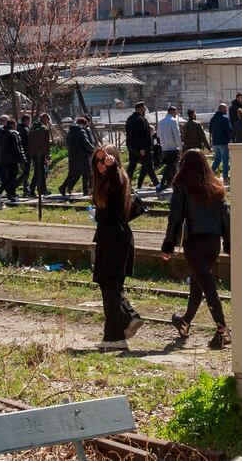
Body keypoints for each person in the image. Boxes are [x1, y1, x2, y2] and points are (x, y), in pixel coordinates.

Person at [161, 148, 231, 349]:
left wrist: (168, 245)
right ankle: (184, 323)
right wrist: (228, 242)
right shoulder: (216, 186)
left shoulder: (182, 185)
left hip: (194, 243)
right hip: (213, 243)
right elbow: (225, 217)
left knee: (207, 287)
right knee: (198, 285)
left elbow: (175, 217)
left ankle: (222, 330)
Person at [90, 144, 148, 349]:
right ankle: (118, 331)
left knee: (111, 285)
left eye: (104, 159)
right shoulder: (102, 182)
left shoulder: (118, 177)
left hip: (116, 239)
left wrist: (112, 166)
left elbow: (116, 183)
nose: (100, 164)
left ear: (113, 159)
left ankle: (118, 332)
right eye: (97, 161)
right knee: (108, 285)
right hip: (108, 238)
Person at [124, 101, 160, 189]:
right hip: (142, 148)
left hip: (132, 147)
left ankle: (126, 185)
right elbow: (142, 135)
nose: (145, 110)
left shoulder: (130, 118)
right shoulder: (140, 119)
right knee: (149, 166)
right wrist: (142, 148)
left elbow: (127, 133)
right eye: (144, 108)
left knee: (131, 167)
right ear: (140, 109)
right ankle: (158, 185)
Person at [61, 115, 96, 196]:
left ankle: (63, 187)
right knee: (86, 173)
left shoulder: (70, 132)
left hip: (73, 155)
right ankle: (85, 191)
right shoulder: (81, 132)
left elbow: (67, 143)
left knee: (73, 173)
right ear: (83, 124)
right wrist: (94, 149)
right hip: (83, 156)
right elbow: (86, 144)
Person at [0, 116, 27, 202]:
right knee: (12, 178)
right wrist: (22, 158)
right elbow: (17, 147)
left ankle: (11, 194)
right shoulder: (13, 133)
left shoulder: (1, 134)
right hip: (12, 159)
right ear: (13, 125)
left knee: (9, 177)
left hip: (3, 159)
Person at [156, 105, 183, 190]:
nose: (176, 114)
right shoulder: (173, 121)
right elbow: (177, 135)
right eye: (176, 112)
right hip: (173, 147)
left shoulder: (161, 122)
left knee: (170, 165)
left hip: (165, 148)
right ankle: (165, 183)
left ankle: (170, 182)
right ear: (172, 112)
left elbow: (158, 135)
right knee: (172, 166)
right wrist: (181, 147)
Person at [26, 113, 53, 197]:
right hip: (41, 153)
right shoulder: (43, 128)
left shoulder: (32, 127)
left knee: (38, 171)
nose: (48, 123)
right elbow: (45, 143)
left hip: (33, 153)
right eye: (48, 121)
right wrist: (48, 154)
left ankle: (36, 190)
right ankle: (39, 190)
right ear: (45, 119)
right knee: (40, 172)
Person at [209, 103, 233, 180]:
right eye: (226, 109)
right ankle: (225, 177)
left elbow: (210, 130)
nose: (227, 110)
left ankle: (210, 174)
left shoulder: (213, 119)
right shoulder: (225, 118)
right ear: (222, 109)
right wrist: (232, 138)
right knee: (225, 160)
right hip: (223, 142)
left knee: (217, 159)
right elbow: (229, 131)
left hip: (215, 142)